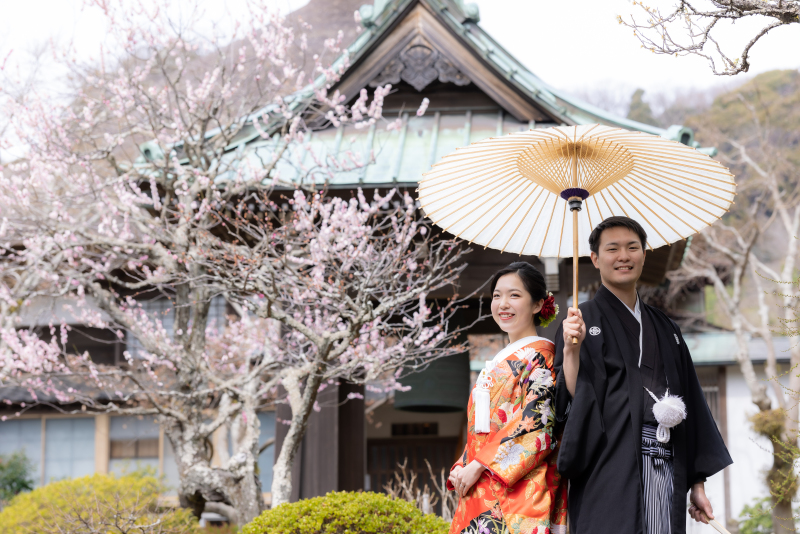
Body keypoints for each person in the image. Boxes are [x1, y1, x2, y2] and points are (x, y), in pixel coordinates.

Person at [554, 216, 732, 534]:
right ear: (594, 258)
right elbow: (572, 399)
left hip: (667, 464)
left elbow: (690, 401)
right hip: (609, 467)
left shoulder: (666, 328)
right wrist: (570, 350)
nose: (624, 256)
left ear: (644, 254)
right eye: (612, 249)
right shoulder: (580, 322)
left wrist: (697, 482)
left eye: (632, 247)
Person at [447, 262, 567, 534]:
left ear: (538, 305)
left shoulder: (542, 359)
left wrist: (477, 466)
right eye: (497, 295)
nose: (503, 303)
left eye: (514, 295)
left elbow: (536, 424)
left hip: (518, 490)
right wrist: (462, 465)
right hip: (481, 482)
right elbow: (481, 429)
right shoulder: (499, 363)